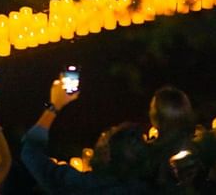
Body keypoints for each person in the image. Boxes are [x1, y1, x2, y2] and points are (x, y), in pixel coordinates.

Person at [21, 77, 153, 194]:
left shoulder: (83, 186)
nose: (100, 137)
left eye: (105, 137)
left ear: (107, 154)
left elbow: (31, 152)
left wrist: (54, 105)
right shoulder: (152, 188)